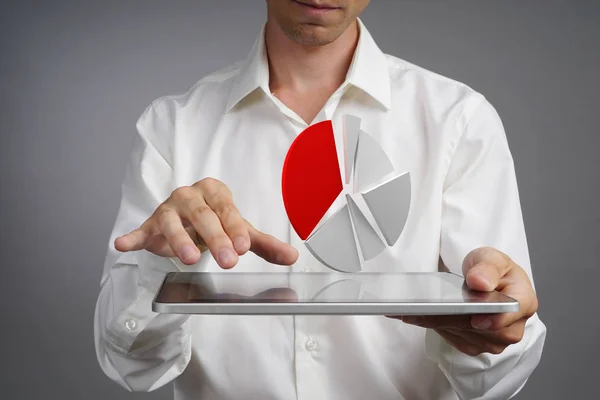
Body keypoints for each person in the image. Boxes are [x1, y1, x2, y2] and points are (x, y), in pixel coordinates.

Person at [94, 1, 546, 399]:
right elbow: (130, 366)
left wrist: (494, 331)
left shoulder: (458, 122)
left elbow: (498, 378)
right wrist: (161, 270)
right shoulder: (172, 128)